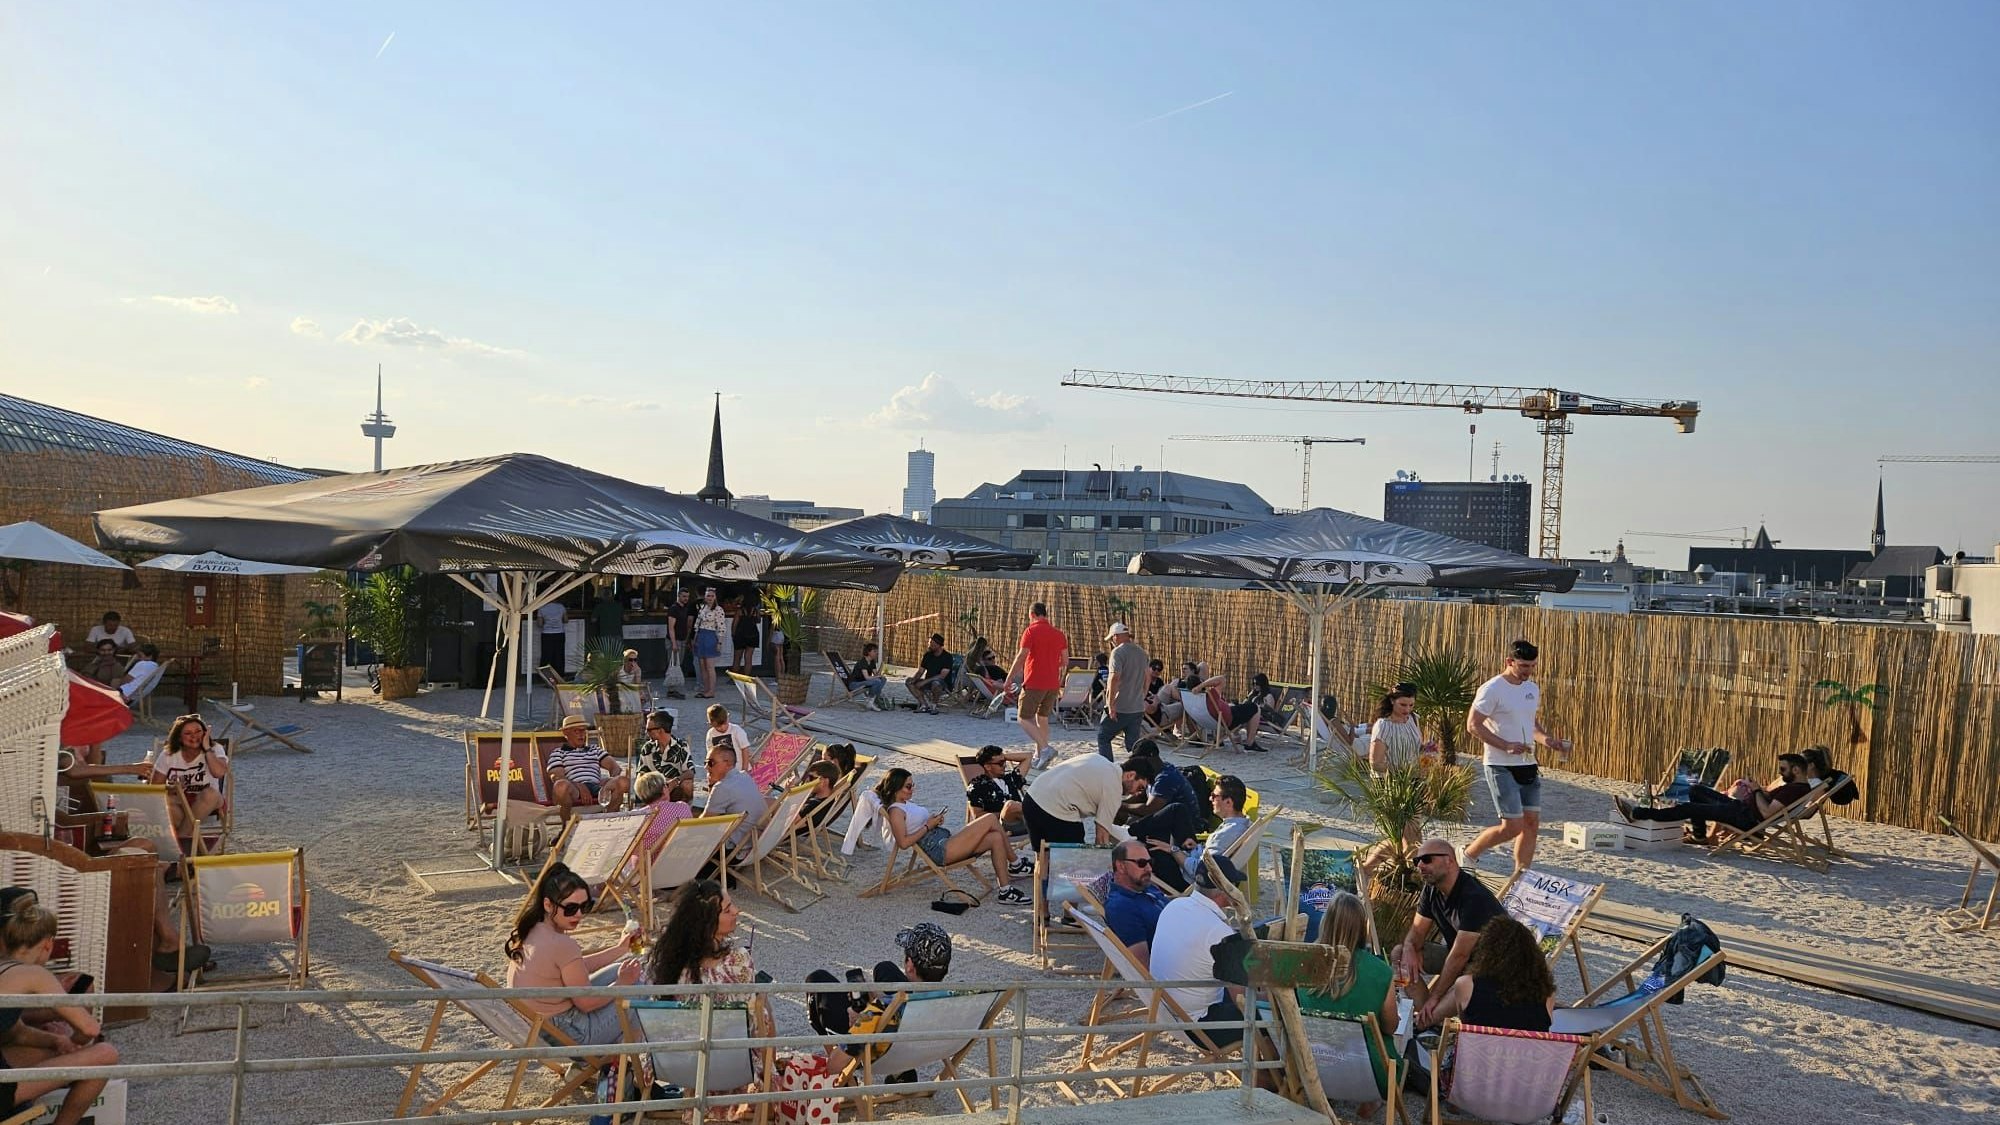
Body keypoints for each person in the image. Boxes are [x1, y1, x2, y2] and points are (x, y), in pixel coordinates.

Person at [1, 892, 123, 1125]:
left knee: (55, 1050)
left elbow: (15, 1032)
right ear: (48, 944)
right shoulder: (34, 974)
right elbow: (89, 1028)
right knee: (106, 1054)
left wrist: (57, 1042)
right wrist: (77, 1042)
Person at [504, 863, 643, 1046]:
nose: (578, 915)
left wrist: (620, 949)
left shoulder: (533, 929)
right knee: (640, 989)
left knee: (619, 969)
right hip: (569, 1035)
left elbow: (573, 968)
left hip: (538, 1025)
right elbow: (585, 1003)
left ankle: (614, 1062)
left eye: (584, 907)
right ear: (548, 904)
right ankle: (616, 1065)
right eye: (570, 908)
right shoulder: (562, 944)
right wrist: (622, 984)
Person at [1462, 639, 1570, 873]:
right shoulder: (1492, 689)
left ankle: (1521, 876)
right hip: (1499, 764)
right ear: (1509, 662)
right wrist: (1506, 745)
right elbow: (1473, 725)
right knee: (1512, 826)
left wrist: (1548, 741)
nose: (1528, 672)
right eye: (1523, 666)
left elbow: (1530, 723)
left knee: (1531, 824)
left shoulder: (1532, 689)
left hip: (1528, 764)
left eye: (1532, 666)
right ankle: (1469, 853)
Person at [807, 922, 954, 1077]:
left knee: (817, 979)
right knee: (885, 968)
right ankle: (903, 1074)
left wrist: (862, 1019)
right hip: (917, 1046)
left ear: (910, 965)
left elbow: (834, 1066)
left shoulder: (878, 1010)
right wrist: (878, 995)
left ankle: (893, 1071)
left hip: (879, 1052)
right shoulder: (961, 998)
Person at [1298, 890, 1398, 1119]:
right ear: (1361, 928)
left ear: (1326, 922)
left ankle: (1327, 1093)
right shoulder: (1380, 971)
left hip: (1312, 1066)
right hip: (1369, 1075)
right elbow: (1389, 1027)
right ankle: (1370, 1100)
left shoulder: (1303, 962)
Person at [875, 768, 1031, 900]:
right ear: (896, 788)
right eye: (908, 786)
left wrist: (933, 820)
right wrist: (928, 826)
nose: (912, 789)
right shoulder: (896, 811)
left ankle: (1005, 891)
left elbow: (916, 824)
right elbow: (903, 843)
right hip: (940, 850)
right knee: (989, 818)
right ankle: (1016, 864)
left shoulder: (905, 803)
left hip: (944, 840)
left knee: (995, 837)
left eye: (912, 785)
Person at [644, 879, 773, 1035]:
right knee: (762, 1000)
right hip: (729, 1056)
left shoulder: (666, 963)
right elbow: (754, 1025)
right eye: (727, 910)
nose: (736, 911)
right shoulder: (737, 961)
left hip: (677, 1056)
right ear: (707, 923)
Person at [1396, 840, 1504, 1027]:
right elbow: (1417, 932)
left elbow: (1459, 956)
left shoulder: (1474, 898)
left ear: (1450, 861)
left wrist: (1435, 996)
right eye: (1417, 861)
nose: (1420, 865)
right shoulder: (1431, 890)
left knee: (1462, 983)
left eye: (1427, 859)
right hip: (1461, 961)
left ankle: (1424, 1022)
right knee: (1399, 954)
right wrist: (1408, 948)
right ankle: (1428, 1019)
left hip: (1489, 969)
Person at [1148, 855, 1253, 1045]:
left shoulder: (1175, 906)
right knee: (1272, 1016)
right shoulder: (1219, 932)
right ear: (1225, 890)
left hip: (1163, 1009)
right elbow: (1241, 1000)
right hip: (1198, 1026)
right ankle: (1266, 1074)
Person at [1614, 752, 1814, 840]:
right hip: (1741, 809)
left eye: (1783, 769)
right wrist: (1758, 790)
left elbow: (1767, 812)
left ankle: (1639, 814)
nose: (1780, 773)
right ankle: (1700, 836)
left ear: (1796, 770)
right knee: (1696, 790)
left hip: (1746, 819)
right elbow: (1768, 804)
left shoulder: (1795, 790)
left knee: (1690, 808)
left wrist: (1755, 790)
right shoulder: (1795, 786)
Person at [1417, 915, 1555, 1033]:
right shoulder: (1546, 994)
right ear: (1532, 955)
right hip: (1527, 1063)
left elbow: (1466, 1024)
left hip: (1475, 1062)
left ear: (1486, 952)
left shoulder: (1467, 985)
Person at [1005, 602, 1069, 770]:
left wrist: (1009, 678)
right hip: (1052, 683)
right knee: (1042, 718)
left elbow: (1021, 657)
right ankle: (1039, 755)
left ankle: (1045, 749)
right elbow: (1065, 661)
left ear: (1032, 614)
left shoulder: (1031, 631)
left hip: (1035, 681)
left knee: (1024, 717)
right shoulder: (1059, 634)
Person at [1021, 752, 1130, 851]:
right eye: (1140, 788)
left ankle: (1041, 872)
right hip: (1056, 808)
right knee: (1073, 862)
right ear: (1131, 775)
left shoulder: (1098, 758)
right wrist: (1102, 865)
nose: (1135, 793)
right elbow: (1101, 837)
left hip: (1032, 797)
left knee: (1042, 856)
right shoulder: (1115, 786)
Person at [148, 712, 230, 841]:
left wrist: (207, 748)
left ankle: (180, 839)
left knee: (210, 794)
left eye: (198, 731)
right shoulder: (169, 754)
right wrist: (172, 788)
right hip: (180, 800)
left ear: (205, 733)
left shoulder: (215, 748)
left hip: (209, 801)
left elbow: (219, 773)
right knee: (166, 802)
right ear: (179, 738)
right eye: (188, 733)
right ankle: (189, 842)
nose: (194, 736)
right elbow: (154, 787)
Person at [1174, 774, 1250, 890]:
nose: (1210, 799)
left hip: (1189, 879)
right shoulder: (1244, 824)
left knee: (1174, 811)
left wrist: (1174, 851)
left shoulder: (1227, 833)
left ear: (1229, 802)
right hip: (1200, 859)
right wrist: (1198, 848)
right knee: (1176, 812)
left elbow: (1200, 870)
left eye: (1214, 796)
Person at [1118, 742, 1201, 847]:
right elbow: (1140, 796)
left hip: (1185, 826)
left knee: (1132, 825)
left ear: (1152, 757)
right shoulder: (1154, 772)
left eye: (1141, 759)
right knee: (1122, 813)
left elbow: (1149, 809)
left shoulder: (1166, 777)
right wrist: (1118, 802)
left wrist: (1121, 806)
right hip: (1166, 818)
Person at [546, 715, 630, 817]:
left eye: (583, 731)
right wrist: (579, 786)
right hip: (573, 790)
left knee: (623, 781)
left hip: (596, 787)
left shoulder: (594, 750)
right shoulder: (558, 753)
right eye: (576, 731)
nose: (581, 735)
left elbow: (615, 767)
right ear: (565, 733)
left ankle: (609, 819)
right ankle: (566, 826)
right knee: (560, 786)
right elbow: (557, 777)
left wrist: (609, 783)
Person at [1102, 839, 1171, 964]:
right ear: (1121, 866)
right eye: (1142, 863)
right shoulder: (1121, 907)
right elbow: (1142, 966)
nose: (1149, 868)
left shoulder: (1145, 887)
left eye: (1150, 862)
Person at [701, 741, 769, 859]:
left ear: (727, 764)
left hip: (736, 849)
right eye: (705, 762)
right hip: (758, 841)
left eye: (710, 763)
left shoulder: (722, 787)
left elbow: (702, 824)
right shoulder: (744, 776)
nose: (706, 767)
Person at [1096, 623, 1151, 761]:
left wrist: (1110, 704)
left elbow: (1114, 678)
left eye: (1112, 638)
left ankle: (1107, 769)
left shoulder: (1118, 652)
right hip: (1137, 706)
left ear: (1116, 636)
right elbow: (1147, 676)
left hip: (1121, 705)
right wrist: (1143, 694)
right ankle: (1139, 771)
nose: (1112, 642)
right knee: (1133, 745)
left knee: (1103, 736)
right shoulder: (1141, 652)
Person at [1185, 670, 1268, 752]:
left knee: (1235, 706)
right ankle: (1250, 743)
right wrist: (1201, 686)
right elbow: (1221, 679)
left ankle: (1220, 739)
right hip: (1228, 720)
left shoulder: (1190, 699)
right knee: (1255, 708)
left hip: (1207, 722)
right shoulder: (1211, 695)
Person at [632, 769, 695, 860]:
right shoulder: (683, 808)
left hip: (648, 870)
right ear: (664, 789)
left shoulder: (638, 817)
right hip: (680, 865)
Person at [965, 744, 1031, 829]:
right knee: (1011, 806)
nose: (1004, 765)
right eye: (1000, 763)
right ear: (988, 766)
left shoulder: (1011, 778)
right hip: (1001, 826)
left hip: (1023, 820)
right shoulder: (977, 785)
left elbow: (1028, 756)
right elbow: (977, 816)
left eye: (1004, 762)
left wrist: (1003, 757)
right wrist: (1005, 813)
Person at [1370, 686, 1430, 772]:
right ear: (1392, 701)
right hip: (1390, 781)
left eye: (1411, 705)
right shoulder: (1383, 725)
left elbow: (1417, 747)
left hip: (1415, 778)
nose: (1407, 709)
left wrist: (1428, 750)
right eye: (1403, 705)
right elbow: (1376, 764)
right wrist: (1402, 770)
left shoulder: (1413, 719)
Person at [905, 633, 955, 715]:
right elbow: (920, 671)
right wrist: (915, 679)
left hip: (943, 684)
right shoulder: (928, 655)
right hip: (928, 682)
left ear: (938, 645)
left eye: (932, 643)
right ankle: (924, 705)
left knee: (936, 683)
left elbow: (942, 676)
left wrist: (924, 682)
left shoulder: (947, 657)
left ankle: (934, 706)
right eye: (930, 643)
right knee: (909, 681)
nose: (930, 645)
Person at [637, 709, 692, 780]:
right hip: (653, 787)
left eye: (649, 730)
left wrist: (676, 781)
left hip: (675, 786)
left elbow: (690, 772)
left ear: (660, 730)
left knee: (687, 785)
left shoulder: (681, 746)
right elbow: (641, 773)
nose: (646, 732)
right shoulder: (647, 747)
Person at [693, 588, 727, 698]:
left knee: (710, 666)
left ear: (715, 597)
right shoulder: (703, 608)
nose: (710, 598)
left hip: (710, 636)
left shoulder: (718, 610)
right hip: (701, 636)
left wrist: (720, 642)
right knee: (702, 665)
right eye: (708, 596)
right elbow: (697, 623)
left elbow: (722, 627)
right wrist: (695, 638)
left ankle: (711, 691)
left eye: (712, 596)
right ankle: (706, 689)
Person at [846, 643, 889, 710]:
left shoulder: (872, 662)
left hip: (864, 682)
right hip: (854, 684)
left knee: (883, 679)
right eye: (874, 651)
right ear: (869, 652)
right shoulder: (862, 662)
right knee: (877, 681)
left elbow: (876, 675)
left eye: (876, 651)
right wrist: (878, 677)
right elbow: (867, 677)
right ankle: (871, 699)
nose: (876, 653)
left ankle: (871, 699)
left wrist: (882, 665)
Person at [667, 588, 697, 686]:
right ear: (678, 596)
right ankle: (671, 689)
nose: (686, 598)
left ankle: (674, 687)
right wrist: (674, 643)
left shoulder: (685, 608)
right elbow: (671, 627)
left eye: (687, 597)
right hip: (674, 641)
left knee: (678, 664)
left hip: (682, 640)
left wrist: (686, 640)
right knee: (673, 665)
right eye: (684, 596)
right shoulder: (674, 608)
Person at [730, 596, 762, 675]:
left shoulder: (739, 611)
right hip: (753, 635)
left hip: (740, 635)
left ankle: (735, 679)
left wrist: (733, 635)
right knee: (748, 658)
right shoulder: (755, 610)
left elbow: (734, 624)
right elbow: (758, 621)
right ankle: (746, 678)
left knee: (737, 658)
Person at [537, 600, 569, 678]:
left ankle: (546, 677)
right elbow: (566, 620)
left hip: (547, 634)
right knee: (559, 655)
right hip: (559, 633)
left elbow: (540, 624)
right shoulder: (561, 607)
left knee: (546, 655)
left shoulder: (541, 608)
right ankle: (559, 676)